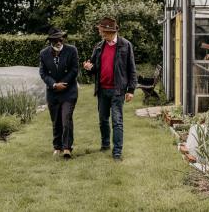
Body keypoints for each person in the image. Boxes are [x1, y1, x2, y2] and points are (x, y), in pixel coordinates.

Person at [82, 17, 137, 161]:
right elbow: (93, 67)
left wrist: (131, 90)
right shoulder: (99, 46)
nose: (100, 34)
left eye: (102, 31)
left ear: (110, 31)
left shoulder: (125, 45)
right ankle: (105, 144)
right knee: (103, 120)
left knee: (117, 121)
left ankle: (117, 152)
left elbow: (132, 69)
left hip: (117, 90)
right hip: (102, 90)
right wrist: (89, 68)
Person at [39, 27, 79, 159]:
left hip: (69, 91)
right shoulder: (44, 53)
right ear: (51, 41)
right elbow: (43, 73)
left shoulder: (71, 50)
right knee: (56, 121)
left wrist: (64, 84)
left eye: (60, 38)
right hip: (53, 92)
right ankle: (57, 147)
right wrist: (54, 84)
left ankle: (67, 148)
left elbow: (74, 70)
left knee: (66, 118)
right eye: (56, 39)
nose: (59, 41)